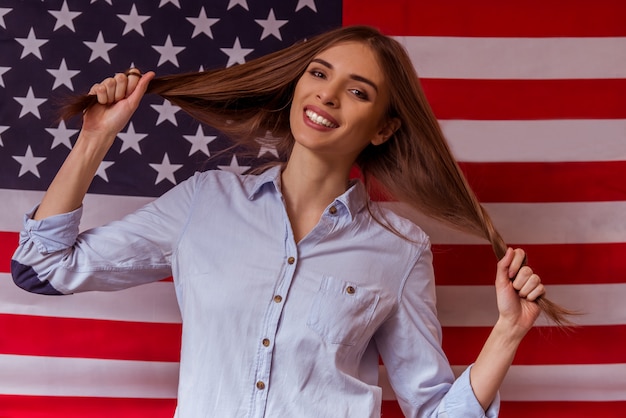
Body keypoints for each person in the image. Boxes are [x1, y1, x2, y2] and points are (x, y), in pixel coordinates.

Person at [11, 25, 570, 417]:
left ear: (382, 128)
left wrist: (507, 333)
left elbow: (434, 411)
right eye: (319, 73)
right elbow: (40, 267)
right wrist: (95, 138)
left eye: (357, 91)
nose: (327, 95)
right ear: (297, 84)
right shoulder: (205, 202)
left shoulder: (399, 248)